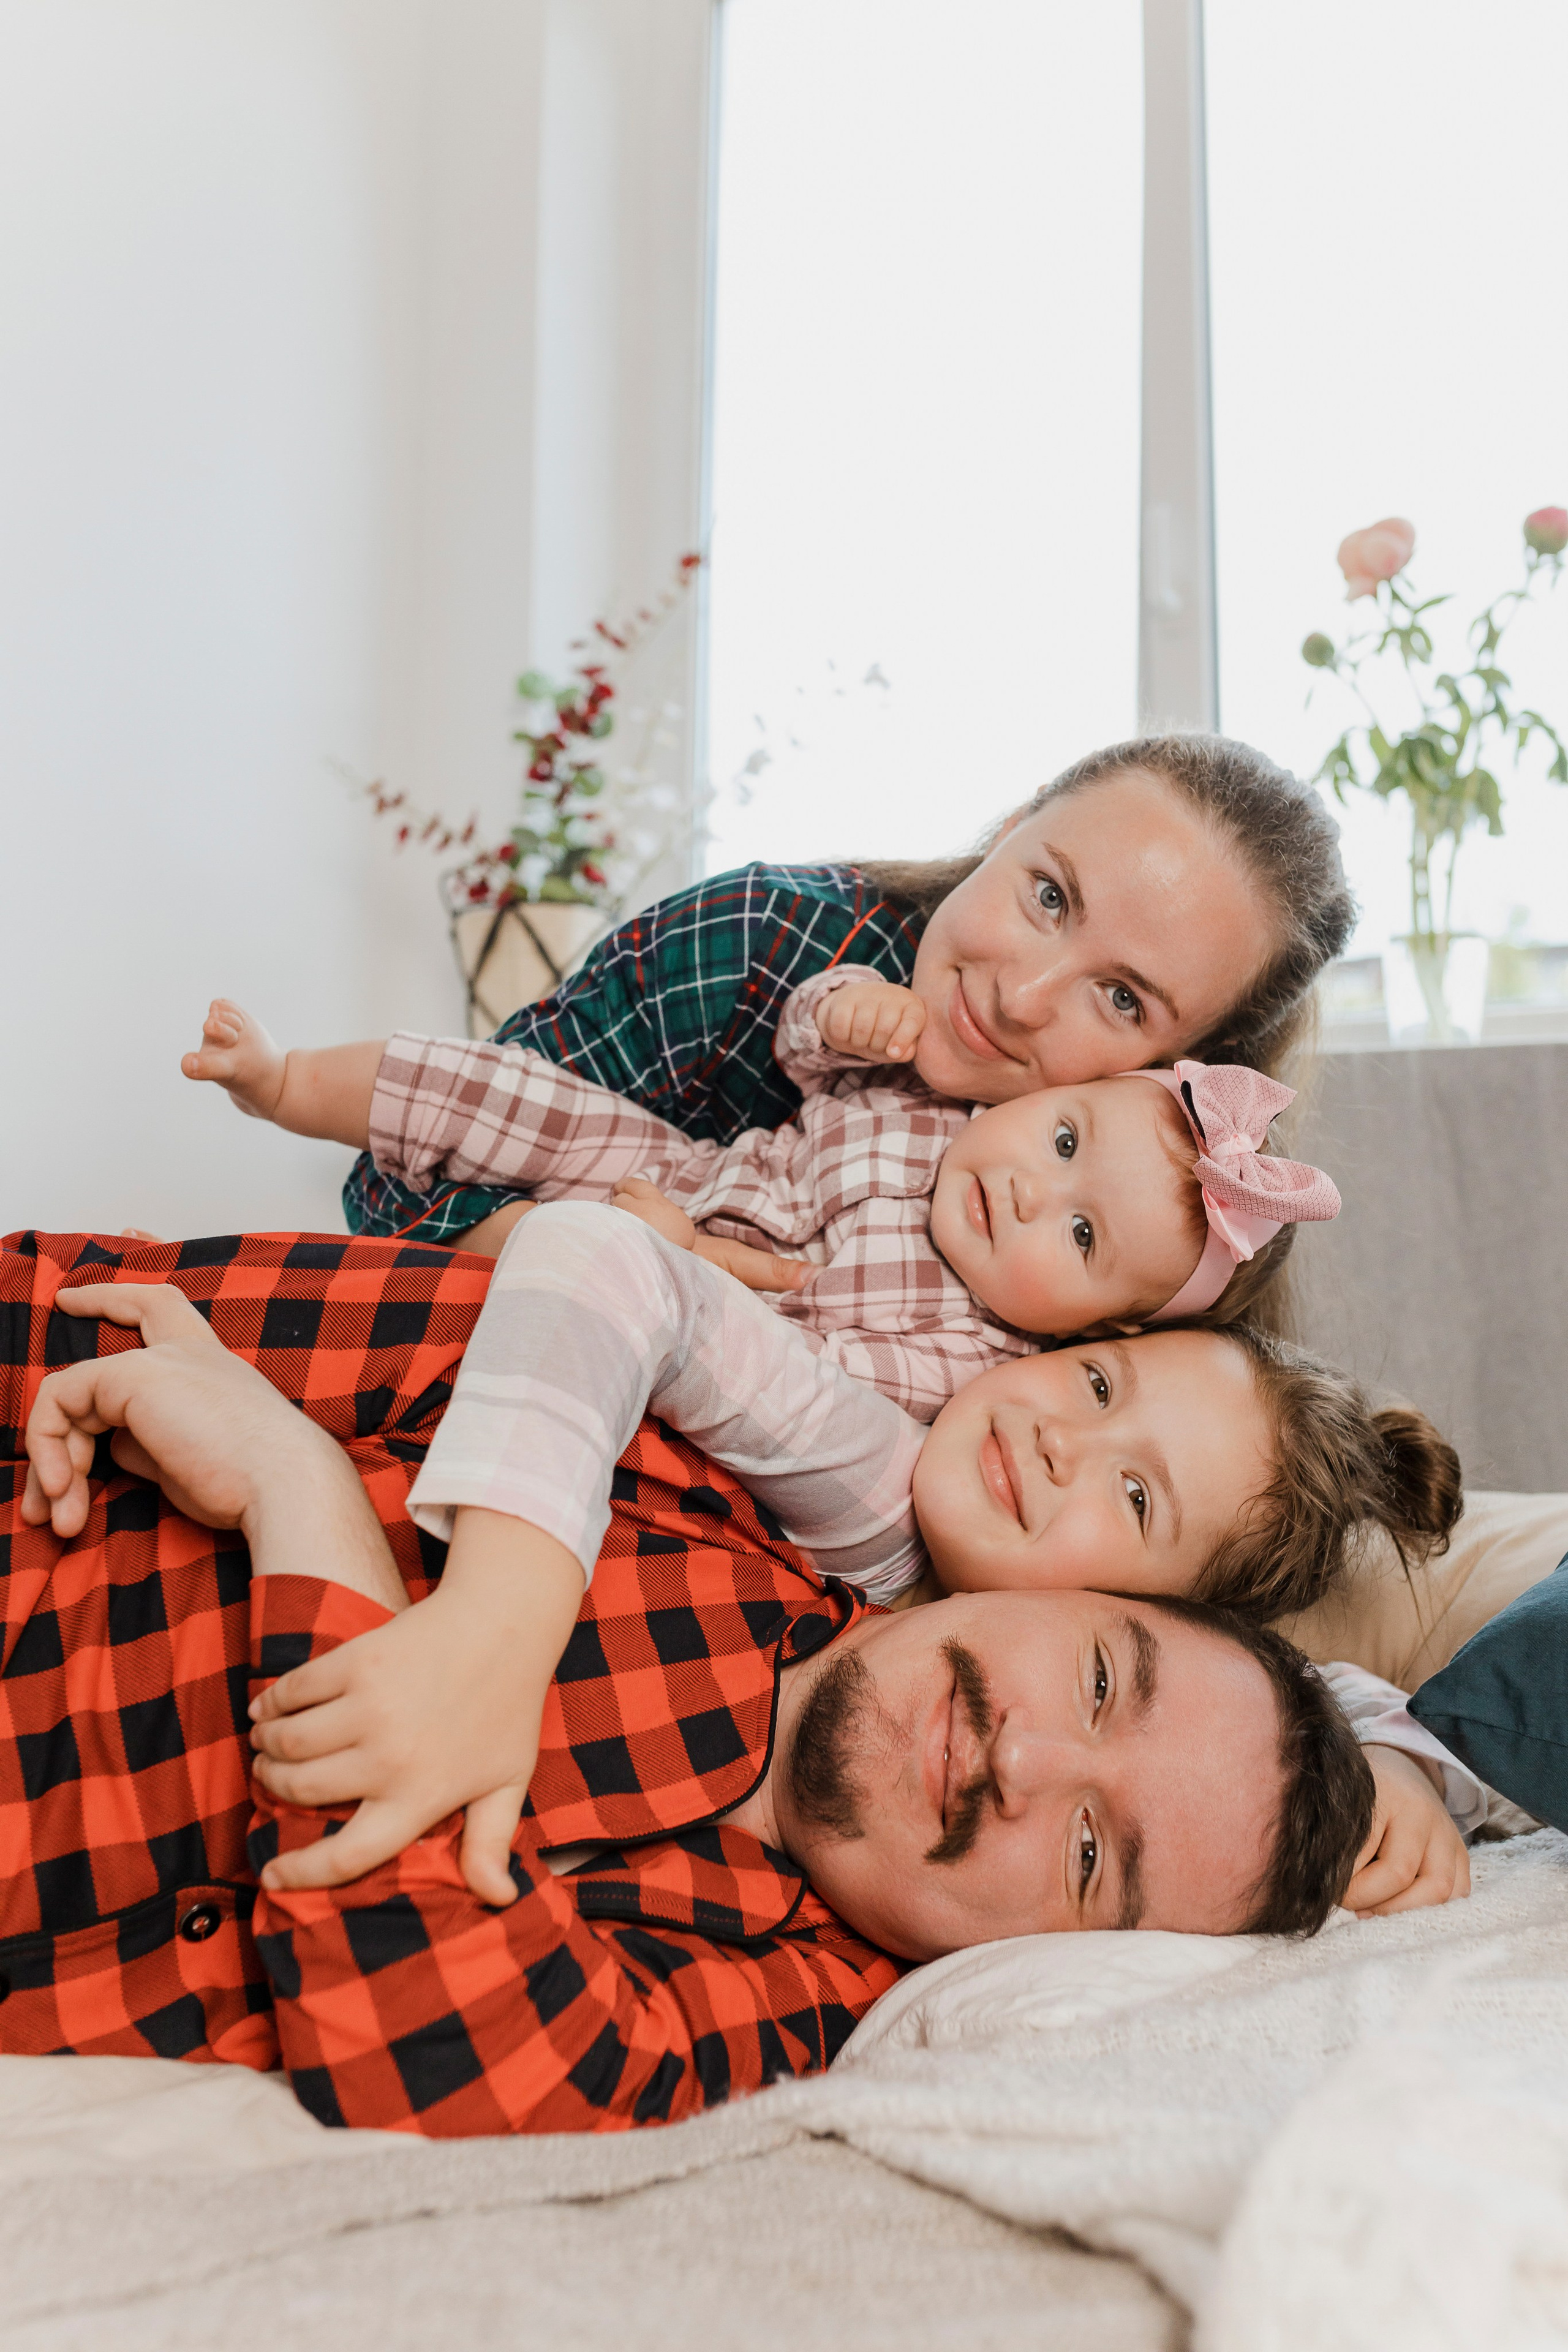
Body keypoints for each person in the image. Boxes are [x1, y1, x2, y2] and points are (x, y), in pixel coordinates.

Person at [6, 1223, 1464, 2139]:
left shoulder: (783, 2010)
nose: (1024, 1761)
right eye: (1096, 1677)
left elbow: (465, 2068)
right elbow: (82, 1319)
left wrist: (300, 1500)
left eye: (1091, 1853)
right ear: (1071, 1590)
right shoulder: (626, 1430)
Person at [339, 734, 1357, 1254]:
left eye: (1125, 1000)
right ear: (1009, 826)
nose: (1024, 997)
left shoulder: (1156, 1227)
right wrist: (634, 1270)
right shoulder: (757, 942)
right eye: (1049, 895)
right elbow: (393, 1180)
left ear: (1194, 1079)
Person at [183, 968, 1343, 1422]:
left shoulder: (967, 1351)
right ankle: (290, 1082)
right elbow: (808, 1059)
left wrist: (682, 1263)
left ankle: (350, 1337)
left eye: (1083, 1235)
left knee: (544, 1263)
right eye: (1066, 1138)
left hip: (679, 1287)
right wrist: (847, 1011)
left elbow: (797, 1372)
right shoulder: (943, 1111)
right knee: (508, 1094)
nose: (1035, 1194)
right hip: (680, 1165)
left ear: (1100, 1327)